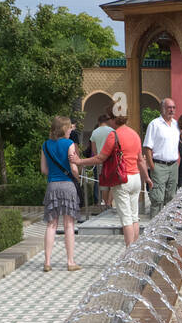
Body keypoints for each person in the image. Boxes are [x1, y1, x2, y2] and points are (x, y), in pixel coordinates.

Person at [39, 115, 102, 272]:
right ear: (63, 129)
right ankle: (70, 261)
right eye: (69, 128)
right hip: (68, 186)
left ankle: (47, 262)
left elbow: (44, 170)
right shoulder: (69, 144)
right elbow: (74, 169)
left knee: (51, 224)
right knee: (69, 225)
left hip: (52, 185)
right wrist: (76, 173)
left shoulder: (45, 145)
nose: (70, 130)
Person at [94, 114, 151, 247]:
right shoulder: (134, 134)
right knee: (134, 217)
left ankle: (129, 252)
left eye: (109, 120)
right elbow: (140, 160)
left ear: (113, 119)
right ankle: (135, 250)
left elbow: (100, 158)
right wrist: (147, 178)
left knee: (126, 220)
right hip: (136, 178)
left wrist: (80, 161)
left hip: (122, 179)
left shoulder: (114, 135)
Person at [143, 97, 180, 214]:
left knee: (171, 198)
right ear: (163, 108)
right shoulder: (154, 124)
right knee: (157, 199)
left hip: (173, 166)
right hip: (159, 165)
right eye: (169, 107)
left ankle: (168, 227)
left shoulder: (176, 125)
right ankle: (154, 228)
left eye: (174, 107)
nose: (172, 110)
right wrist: (152, 167)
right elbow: (147, 147)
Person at [90, 109, 115, 209]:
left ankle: (105, 204)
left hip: (100, 161)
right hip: (112, 161)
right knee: (113, 184)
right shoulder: (112, 131)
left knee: (103, 184)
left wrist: (98, 157)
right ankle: (109, 202)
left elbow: (94, 150)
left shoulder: (94, 132)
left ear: (99, 122)